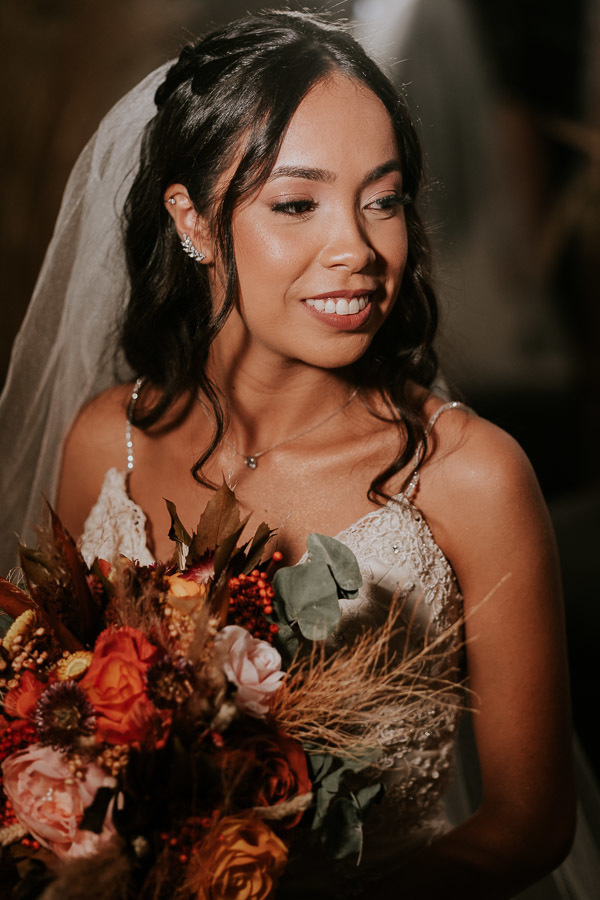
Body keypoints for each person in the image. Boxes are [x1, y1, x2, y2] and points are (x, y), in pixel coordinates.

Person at [0, 10, 580, 898]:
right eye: (297, 204)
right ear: (193, 221)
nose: (357, 249)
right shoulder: (106, 442)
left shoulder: (473, 477)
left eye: (382, 200)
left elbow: (530, 825)